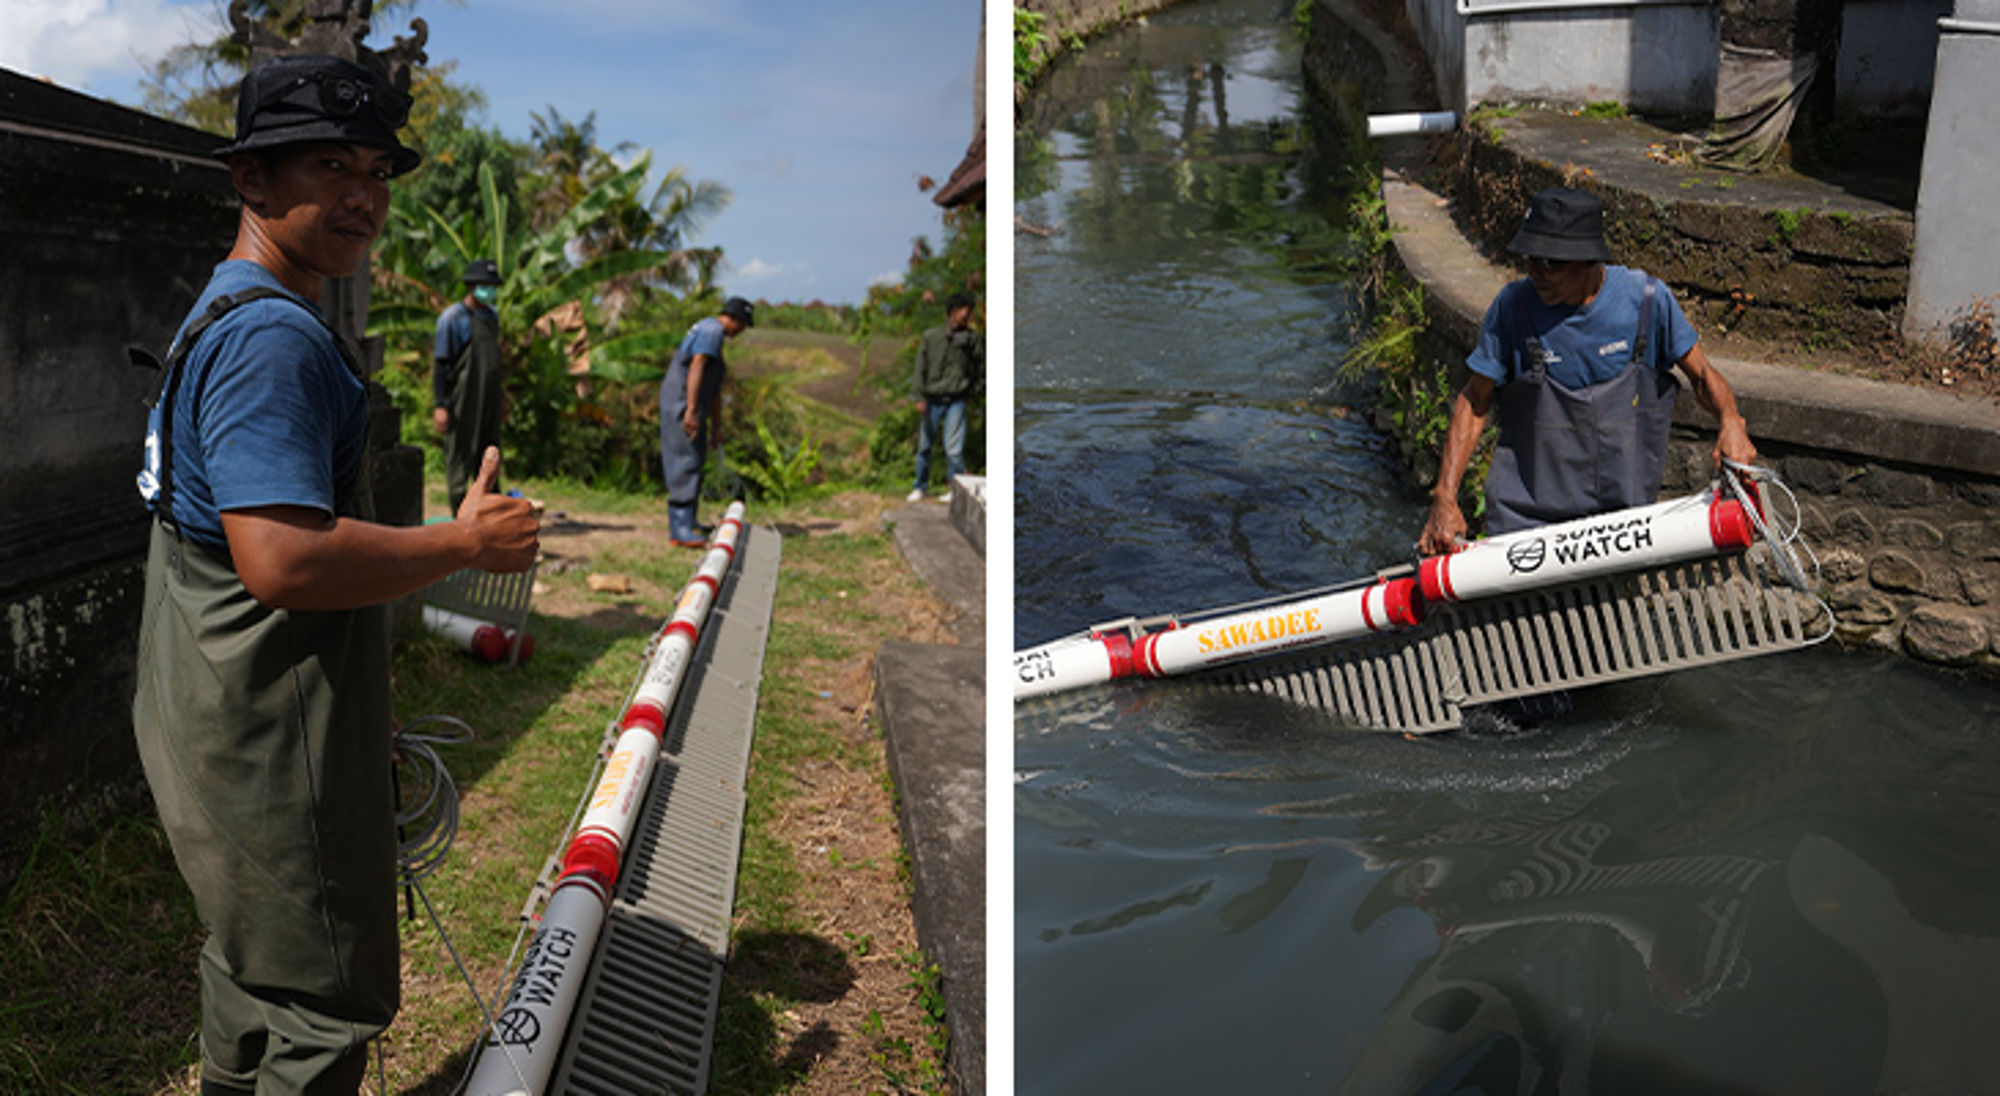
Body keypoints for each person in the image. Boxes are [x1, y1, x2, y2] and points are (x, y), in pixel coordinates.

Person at [130, 55, 540, 1095]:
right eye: (328, 165)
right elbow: (282, 558)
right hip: (268, 735)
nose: (362, 195)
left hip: (210, 712)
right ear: (252, 182)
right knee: (320, 998)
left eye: (377, 170)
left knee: (249, 959)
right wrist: (465, 545)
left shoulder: (230, 309)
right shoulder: (275, 339)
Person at [1418, 186, 1757, 556]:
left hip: (1620, 528)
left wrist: (1731, 420)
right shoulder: (1513, 308)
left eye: (1551, 263)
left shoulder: (1646, 303)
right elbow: (1474, 399)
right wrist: (1445, 497)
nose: (1536, 273)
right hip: (1527, 528)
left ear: (1589, 261)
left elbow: (1702, 375)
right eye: (1531, 259)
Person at [659, 296, 753, 546]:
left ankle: (689, 521)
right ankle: (679, 527)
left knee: (695, 458)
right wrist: (689, 410)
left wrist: (716, 429)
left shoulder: (711, 333)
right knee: (684, 460)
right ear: (734, 319)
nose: (741, 332)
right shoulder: (712, 330)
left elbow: (714, 391)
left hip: (693, 407)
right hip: (682, 405)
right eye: (742, 325)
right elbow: (697, 366)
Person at [433, 257, 505, 514]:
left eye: (493, 286)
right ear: (473, 286)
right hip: (463, 401)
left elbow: (495, 364)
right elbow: (441, 366)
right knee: (460, 460)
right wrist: (441, 405)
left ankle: (490, 520)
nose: (491, 291)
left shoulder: (491, 317)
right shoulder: (452, 318)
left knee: (489, 458)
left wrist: (501, 401)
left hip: (489, 400)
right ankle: (460, 520)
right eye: (486, 285)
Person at [906, 291, 983, 503]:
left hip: (957, 400)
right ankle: (920, 486)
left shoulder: (972, 339)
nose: (968, 317)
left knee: (954, 449)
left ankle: (955, 489)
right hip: (932, 399)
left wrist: (973, 392)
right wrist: (919, 397)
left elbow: (980, 369)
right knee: (925, 446)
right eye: (965, 313)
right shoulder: (931, 337)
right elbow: (920, 368)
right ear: (954, 312)